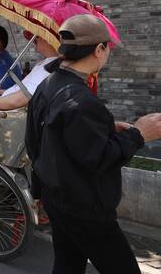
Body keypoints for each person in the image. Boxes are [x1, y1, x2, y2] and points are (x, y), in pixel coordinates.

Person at [25, 15, 161, 274]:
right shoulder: (80, 99)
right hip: (85, 208)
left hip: (56, 197)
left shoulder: (48, 84)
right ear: (99, 49)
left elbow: (39, 139)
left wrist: (107, 126)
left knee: (68, 264)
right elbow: (99, 157)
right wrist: (140, 134)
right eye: (107, 47)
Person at [0, 31, 58, 110]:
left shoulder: (50, 68)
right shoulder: (43, 63)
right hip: (3, 100)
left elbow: (23, 98)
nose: (34, 40)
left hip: (9, 111)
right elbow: (22, 90)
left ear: (49, 39)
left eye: (38, 37)